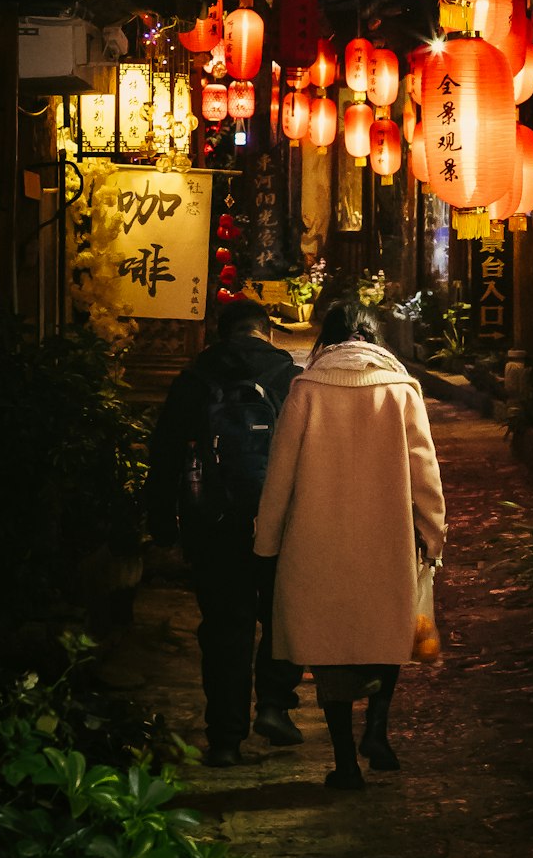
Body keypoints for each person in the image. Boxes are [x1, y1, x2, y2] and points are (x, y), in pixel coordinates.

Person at [254, 298, 447, 790]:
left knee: (330, 648)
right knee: (388, 628)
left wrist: (267, 542)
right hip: (388, 538)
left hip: (316, 540)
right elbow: (425, 473)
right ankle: (378, 729)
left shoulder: (306, 388)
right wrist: (433, 532)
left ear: (328, 337)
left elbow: (280, 474)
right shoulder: (402, 390)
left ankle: (345, 764)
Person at [145, 298, 303, 767]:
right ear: (267, 331)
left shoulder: (194, 380)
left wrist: (160, 520)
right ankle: (274, 704)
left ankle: (226, 739)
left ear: (221, 332)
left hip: (211, 520)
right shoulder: (291, 379)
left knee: (224, 626)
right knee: (284, 614)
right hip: (279, 519)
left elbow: (166, 452)